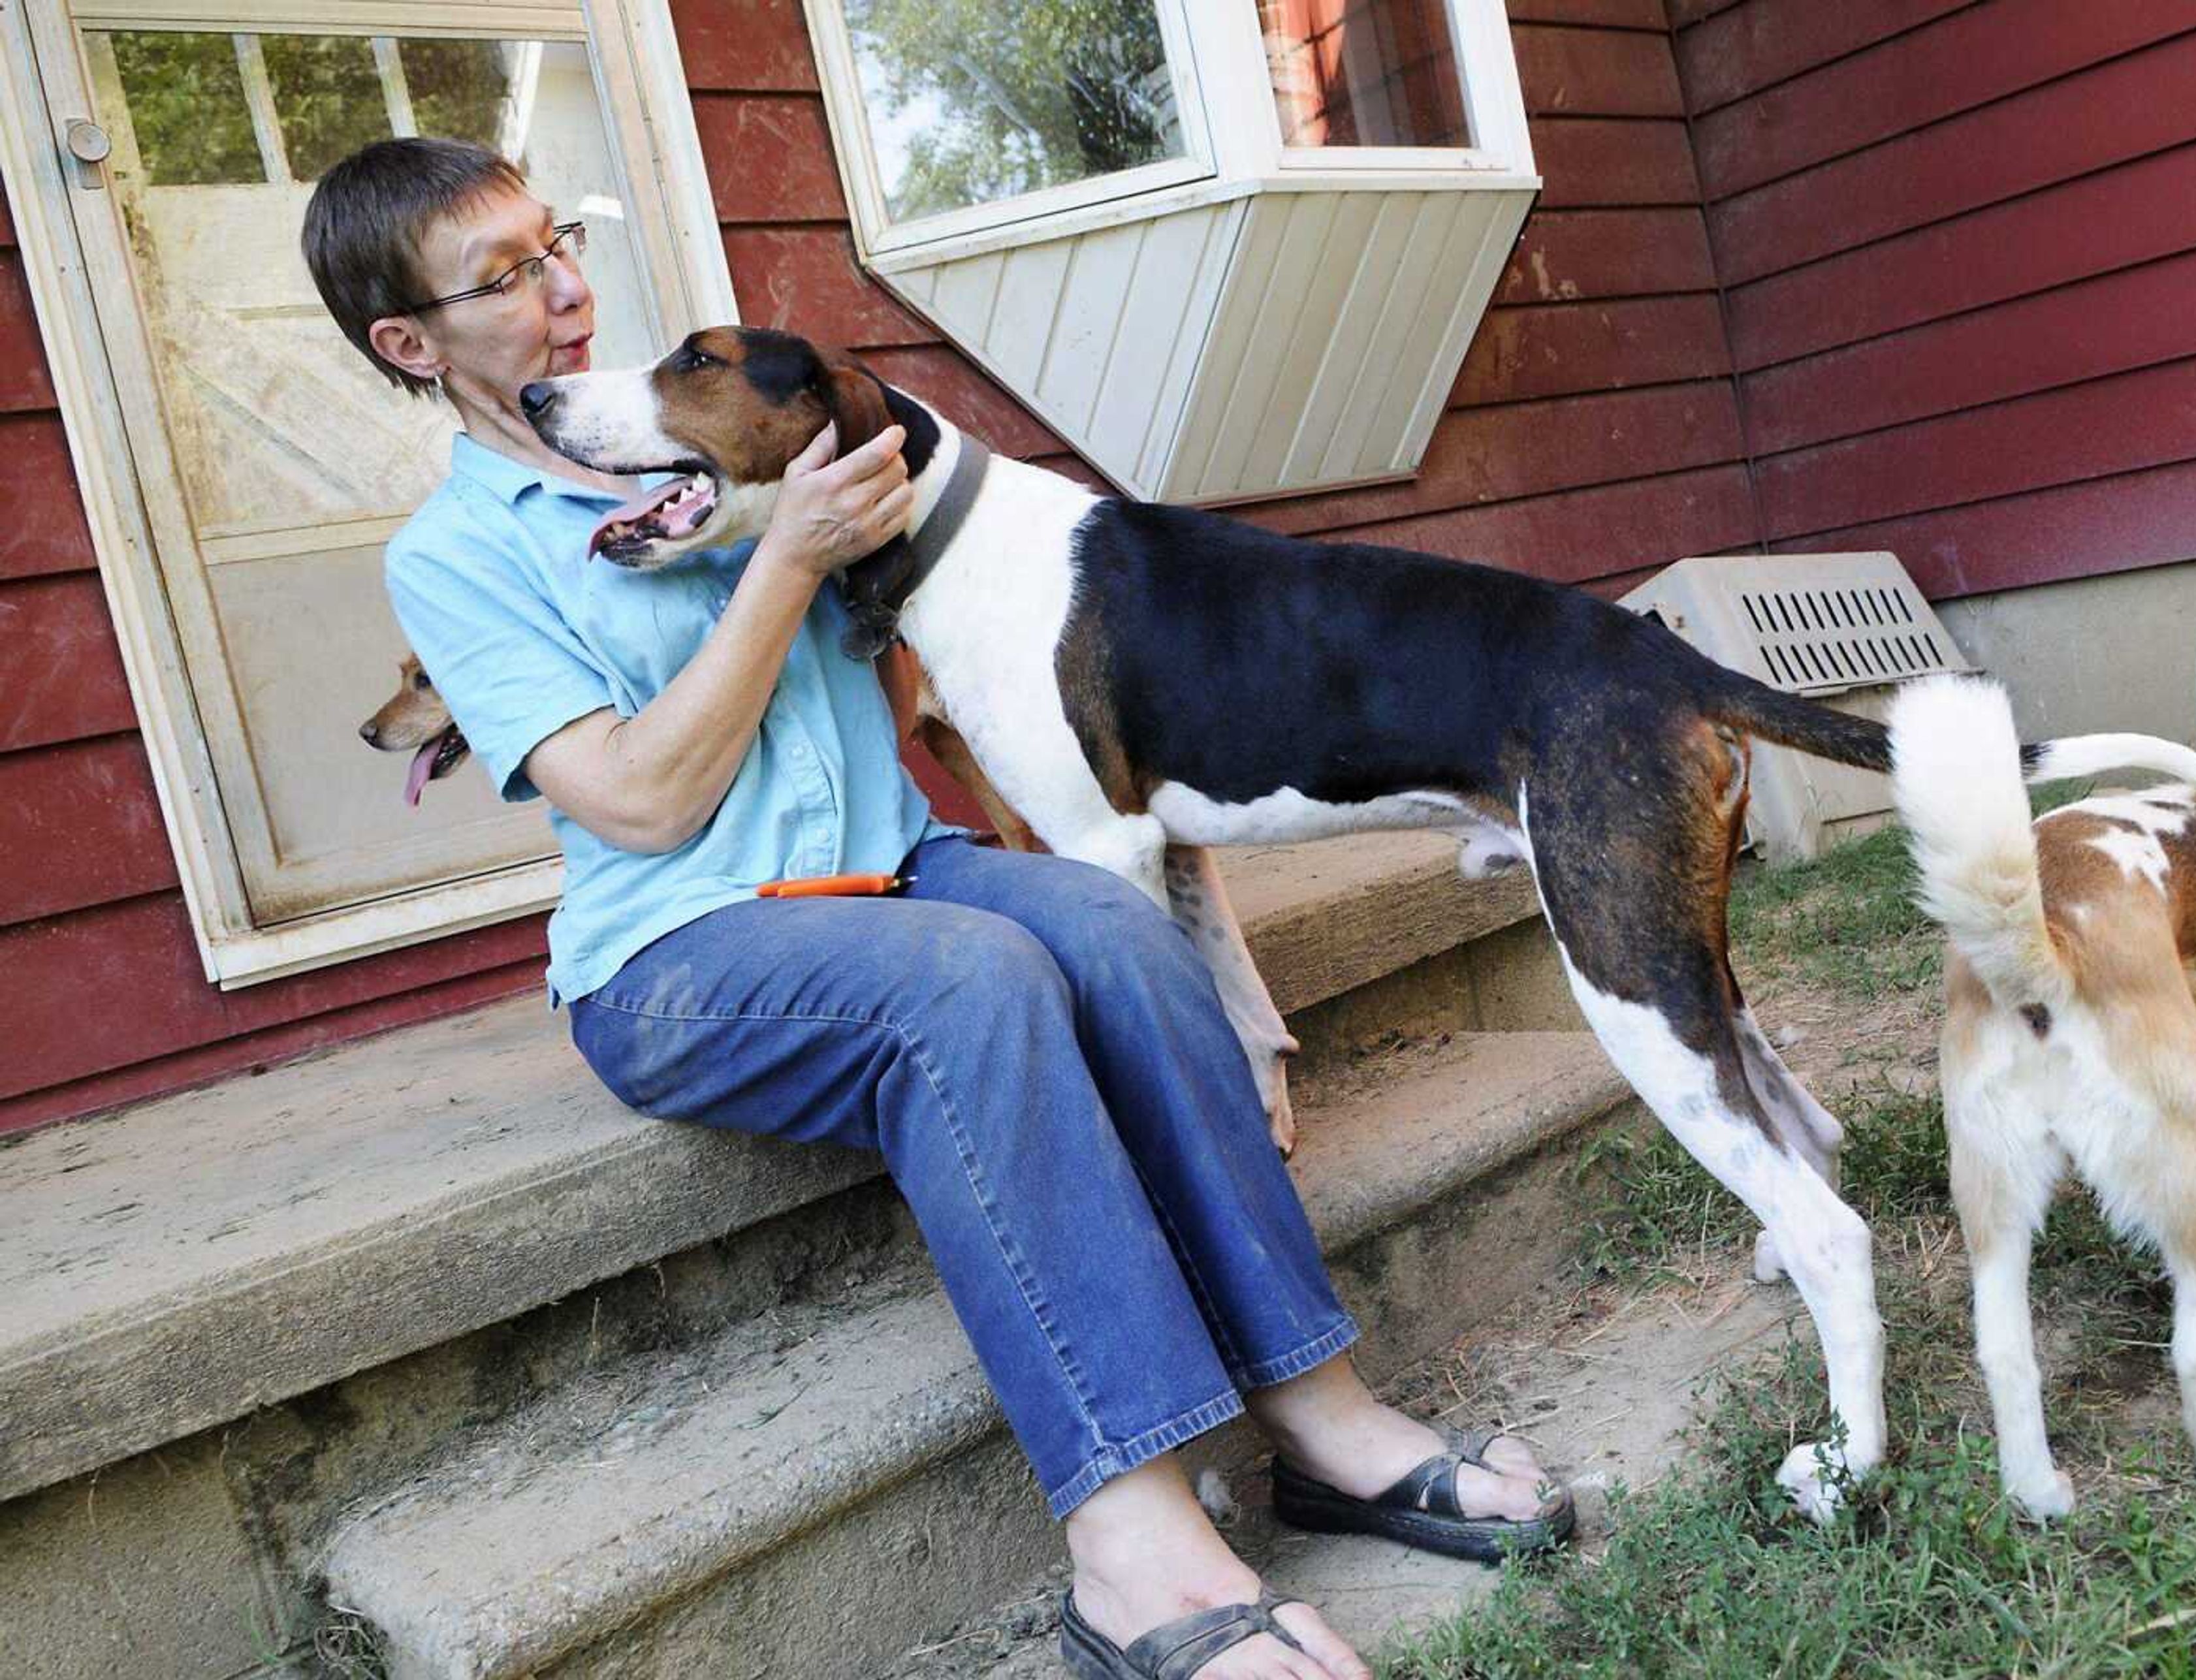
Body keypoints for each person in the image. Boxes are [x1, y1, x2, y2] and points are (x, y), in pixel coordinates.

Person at [305, 137, 1569, 1680]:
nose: (565, 288)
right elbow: (641, 801)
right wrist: (785, 559)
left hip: (898, 864)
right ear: (408, 343)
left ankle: (1322, 1416)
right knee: (970, 981)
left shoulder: (717, 432)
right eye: (506, 277)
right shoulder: (454, 556)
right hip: (688, 949)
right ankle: (1133, 1550)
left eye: (554, 243)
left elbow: (924, 678)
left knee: (1111, 927)